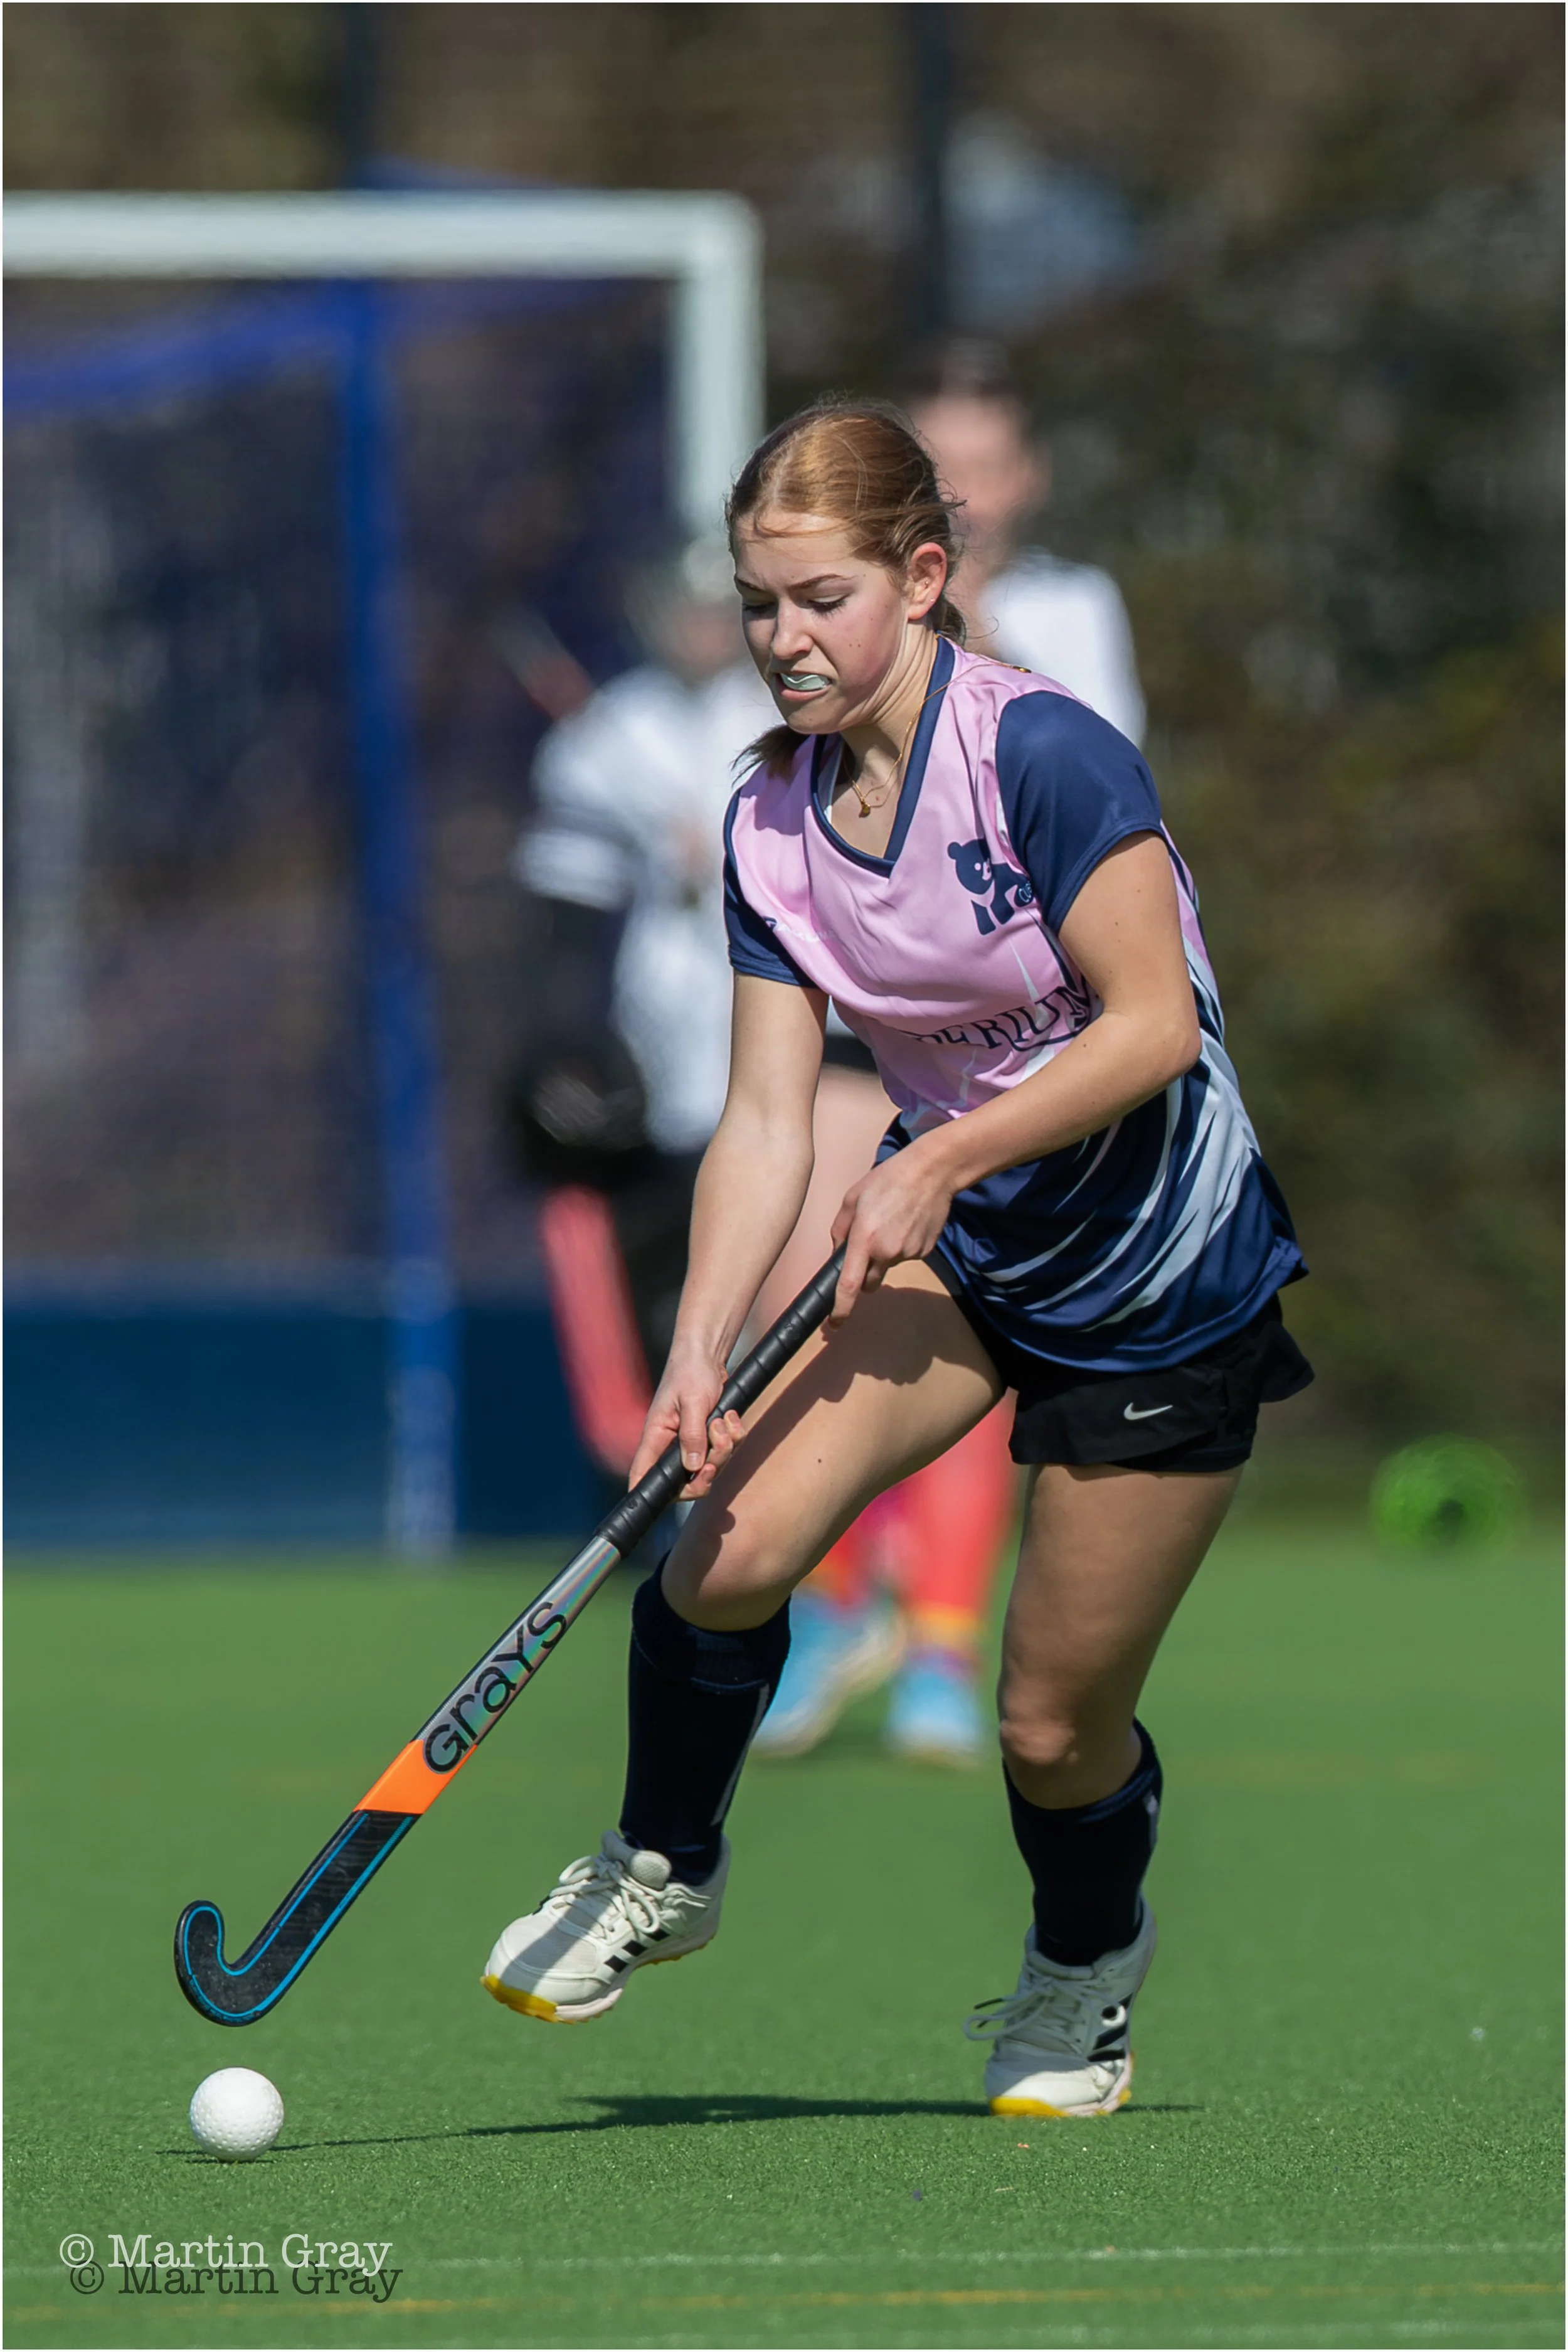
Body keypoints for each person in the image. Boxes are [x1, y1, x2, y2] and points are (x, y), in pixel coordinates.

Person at [482, 400, 1311, 2119]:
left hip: (1161, 1267)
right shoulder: (768, 823)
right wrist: (699, 1345)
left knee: (1045, 1726)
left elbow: (1151, 1026)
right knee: (731, 1542)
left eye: (818, 598)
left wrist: (938, 1147)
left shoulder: (1044, 755)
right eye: (758, 600)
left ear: (920, 579)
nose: (780, 638)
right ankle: (661, 1859)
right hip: (962, 1249)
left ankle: (1083, 1971)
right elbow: (769, 1122)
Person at [755, 346, 1147, 1764]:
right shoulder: (832, 628)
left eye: (986, 463)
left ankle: (937, 1643)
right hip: (882, 1029)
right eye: (941, 463)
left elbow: (1071, 761)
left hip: (1024, 1061)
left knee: (968, 1332)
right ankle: (825, 1606)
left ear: (1021, 482)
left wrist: (944, 635)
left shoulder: (1063, 614)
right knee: (799, 1308)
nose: (967, 488)